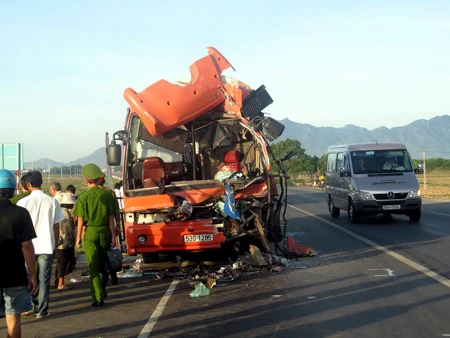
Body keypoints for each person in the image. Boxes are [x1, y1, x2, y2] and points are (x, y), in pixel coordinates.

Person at [17, 171, 64, 319]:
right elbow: (56, 227)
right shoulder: (52, 201)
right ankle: (42, 311)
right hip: (46, 245)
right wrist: (56, 245)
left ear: (28, 185)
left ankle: (29, 305)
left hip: (27, 247)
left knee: (28, 277)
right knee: (44, 280)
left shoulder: (22, 203)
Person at [0, 169, 38, 337]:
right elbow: (27, 246)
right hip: (14, 270)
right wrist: (33, 274)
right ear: (13, 188)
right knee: (13, 314)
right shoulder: (21, 213)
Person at [73, 164, 117, 307]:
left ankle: (97, 297)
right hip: (104, 231)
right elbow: (112, 218)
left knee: (93, 265)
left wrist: (78, 238)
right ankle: (103, 289)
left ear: (86, 180)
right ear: (98, 178)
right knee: (104, 263)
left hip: (90, 232)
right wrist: (113, 236)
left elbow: (80, 220)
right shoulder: (107, 195)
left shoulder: (83, 197)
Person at [54, 193, 77, 290]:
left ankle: (56, 281)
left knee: (60, 262)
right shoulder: (65, 213)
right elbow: (67, 230)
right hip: (64, 242)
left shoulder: (59, 211)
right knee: (63, 263)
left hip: (60, 241)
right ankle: (60, 283)